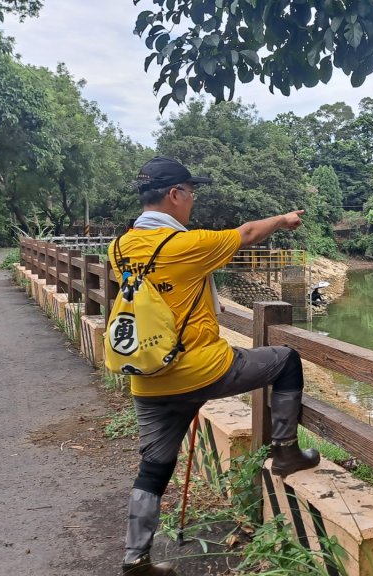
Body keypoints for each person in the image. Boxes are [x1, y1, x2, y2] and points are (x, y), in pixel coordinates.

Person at [112, 156, 320, 576]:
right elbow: (245, 234)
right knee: (286, 360)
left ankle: (136, 558)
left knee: (153, 467)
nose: (192, 201)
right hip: (202, 368)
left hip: (148, 377)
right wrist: (282, 219)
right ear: (174, 195)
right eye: (190, 193)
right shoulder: (187, 244)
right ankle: (285, 453)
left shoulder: (119, 247)